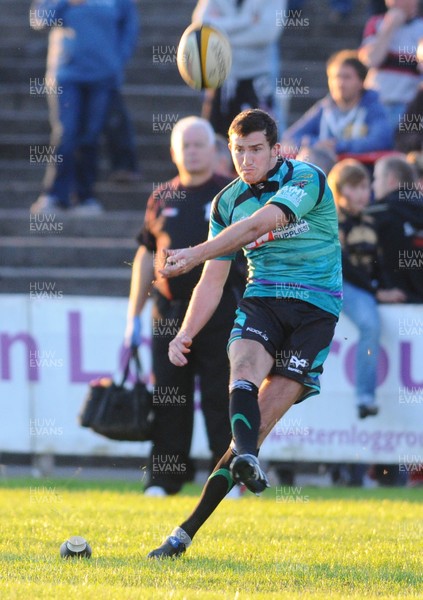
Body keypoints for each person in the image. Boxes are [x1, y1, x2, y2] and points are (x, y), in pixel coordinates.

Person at [147, 108, 342, 558]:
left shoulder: (306, 178)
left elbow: (261, 225)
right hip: (264, 299)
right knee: (244, 364)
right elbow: (213, 281)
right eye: (238, 151)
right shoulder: (226, 202)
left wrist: (194, 251)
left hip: (315, 309)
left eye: (256, 150)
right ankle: (183, 536)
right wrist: (185, 332)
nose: (247, 159)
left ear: (276, 149)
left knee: (248, 436)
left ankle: (197, 516)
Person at [125, 116, 245, 496]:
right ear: (174, 151)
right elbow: (146, 254)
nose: (192, 151)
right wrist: (134, 316)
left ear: (213, 149)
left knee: (218, 394)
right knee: (169, 395)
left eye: (199, 144)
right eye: (185, 145)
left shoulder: (230, 191)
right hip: (169, 312)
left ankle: (226, 477)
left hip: (219, 307)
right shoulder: (162, 196)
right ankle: (164, 479)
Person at [30, 0, 139, 213]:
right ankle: (54, 195)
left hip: (103, 76)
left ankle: (84, 196)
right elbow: (40, 19)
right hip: (66, 75)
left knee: (90, 136)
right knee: (66, 133)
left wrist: (116, 60)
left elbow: (130, 27)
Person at [327, 159, 406, 419]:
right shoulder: (331, 224)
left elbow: (377, 263)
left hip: (359, 287)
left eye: (365, 187)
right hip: (337, 285)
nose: (364, 193)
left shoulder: (370, 222)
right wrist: (376, 292)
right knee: (370, 325)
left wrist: (387, 287)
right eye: (356, 187)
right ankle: (365, 395)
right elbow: (345, 267)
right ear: (340, 191)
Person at [192, 0, 286, 137]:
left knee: (262, 139)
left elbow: (267, 33)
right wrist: (247, 21)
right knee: (216, 140)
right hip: (221, 80)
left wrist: (219, 35)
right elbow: (200, 26)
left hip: (258, 79)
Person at [281, 50, 393, 156]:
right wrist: (315, 143)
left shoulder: (373, 107)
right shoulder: (323, 107)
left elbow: (381, 141)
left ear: (361, 82)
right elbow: (289, 138)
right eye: (335, 77)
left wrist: (338, 146)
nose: (340, 83)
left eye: (347, 77)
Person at [358, 0, 423, 131]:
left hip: (408, 106)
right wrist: (389, 26)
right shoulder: (376, 23)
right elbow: (371, 60)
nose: (415, 2)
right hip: (377, 104)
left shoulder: (420, 27)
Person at [367, 154, 423, 302]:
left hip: (392, 300)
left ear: (391, 179)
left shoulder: (376, 214)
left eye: (376, 178)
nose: (373, 185)